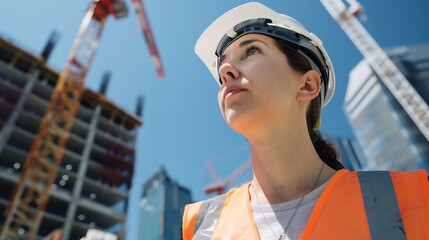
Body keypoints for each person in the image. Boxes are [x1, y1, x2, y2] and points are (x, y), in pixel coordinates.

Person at [182, 2, 429, 240]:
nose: (225, 71)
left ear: (307, 85)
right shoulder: (202, 225)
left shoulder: (411, 199)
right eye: (222, 66)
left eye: (252, 51)